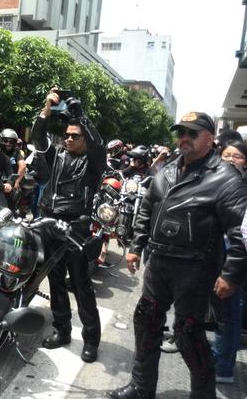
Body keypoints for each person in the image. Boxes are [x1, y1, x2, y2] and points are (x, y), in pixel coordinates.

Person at [108, 112, 247, 399]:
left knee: (188, 334)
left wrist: (231, 275)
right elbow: (147, 209)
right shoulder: (167, 170)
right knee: (146, 323)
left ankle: (203, 394)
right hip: (158, 263)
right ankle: (141, 387)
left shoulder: (226, 178)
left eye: (192, 133)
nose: (184, 138)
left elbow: (240, 232)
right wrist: (135, 248)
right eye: (181, 132)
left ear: (210, 139)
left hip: (197, 269)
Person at [31, 89, 106, 364]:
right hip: (50, 222)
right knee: (54, 281)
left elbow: (98, 146)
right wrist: (46, 108)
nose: (69, 138)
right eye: (68, 135)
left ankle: (90, 340)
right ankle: (62, 330)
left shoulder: (93, 162)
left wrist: (80, 116)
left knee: (80, 284)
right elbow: (38, 138)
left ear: (84, 139)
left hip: (76, 228)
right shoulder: (57, 157)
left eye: (76, 135)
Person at [210, 139, 247, 384]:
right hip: (215, 254)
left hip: (237, 259)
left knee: (230, 313)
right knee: (221, 312)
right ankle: (219, 357)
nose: (231, 159)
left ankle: (223, 368)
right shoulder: (215, 182)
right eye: (227, 155)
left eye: (238, 156)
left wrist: (232, 272)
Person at [1, 128, 26, 211]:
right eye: (5, 141)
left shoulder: (16, 153)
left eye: (11, 142)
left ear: (14, 143)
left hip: (11, 183)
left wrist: (17, 182)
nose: (8, 143)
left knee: (10, 207)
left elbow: (22, 166)